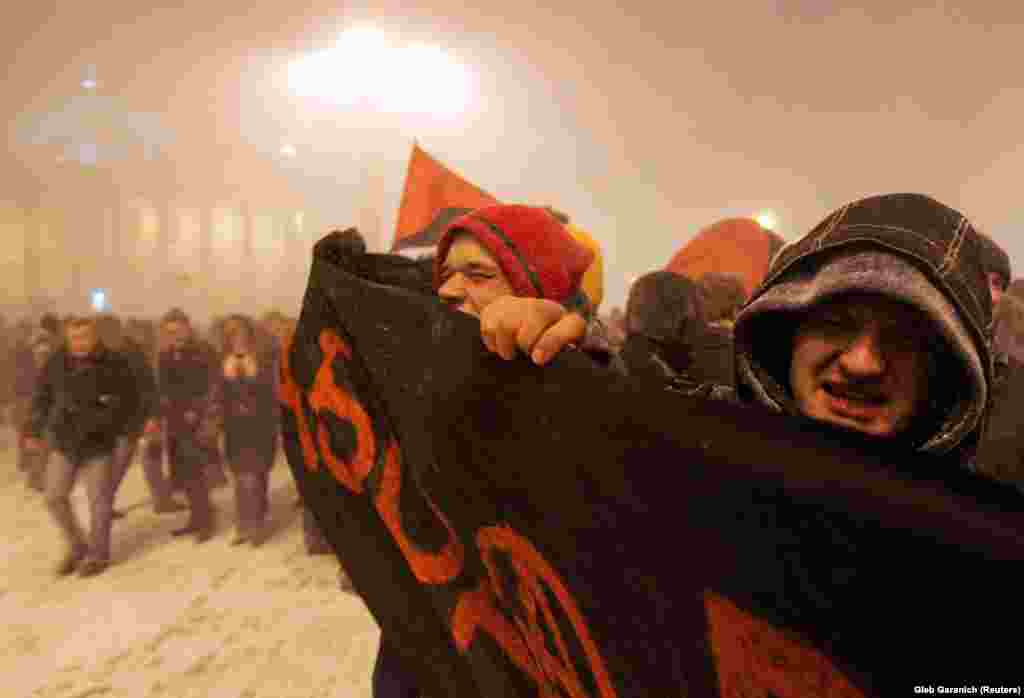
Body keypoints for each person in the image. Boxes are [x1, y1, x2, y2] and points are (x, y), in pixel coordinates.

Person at [479, 192, 992, 470]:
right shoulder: (681, 445)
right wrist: (550, 361)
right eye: (837, 320)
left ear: (946, 366)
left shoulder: (983, 555)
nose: (862, 362)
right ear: (787, 329)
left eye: (904, 338)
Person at [364, 203, 595, 698]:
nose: (447, 289)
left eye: (478, 273)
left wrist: (573, 370)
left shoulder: (587, 397)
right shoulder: (417, 378)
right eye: (445, 274)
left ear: (539, 291)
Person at [25, 315, 142, 577]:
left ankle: (98, 555)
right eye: (74, 338)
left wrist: (110, 421)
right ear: (67, 338)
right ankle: (77, 545)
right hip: (65, 441)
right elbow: (42, 397)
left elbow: (129, 400)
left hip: (99, 443)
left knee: (99, 501)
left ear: (95, 337)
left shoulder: (113, 363)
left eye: (85, 337)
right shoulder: (57, 362)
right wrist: (33, 429)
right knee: (54, 496)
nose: (80, 343)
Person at [207, 314, 279, 546]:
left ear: (249, 335)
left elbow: (272, 393)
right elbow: (217, 395)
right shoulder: (222, 361)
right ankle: (244, 524)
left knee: (254, 477)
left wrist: (253, 377)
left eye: (240, 334)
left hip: (259, 426)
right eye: (231, 335)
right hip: (234, 428)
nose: (237, 339)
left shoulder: (263, 359)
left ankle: (254, 526)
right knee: (240, 477)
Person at [155, 309, 218, 542]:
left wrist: (198, 410)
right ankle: (195, 518)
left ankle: (205, 522)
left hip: (198, 422)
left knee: (197, 473)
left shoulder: (203, 351)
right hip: (175, 423)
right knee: (183, 473)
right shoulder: (165, 355)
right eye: (170, 331)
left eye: (179, 329)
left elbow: (213, 384)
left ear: (188, 327)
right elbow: (162, 388)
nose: (176, 335)